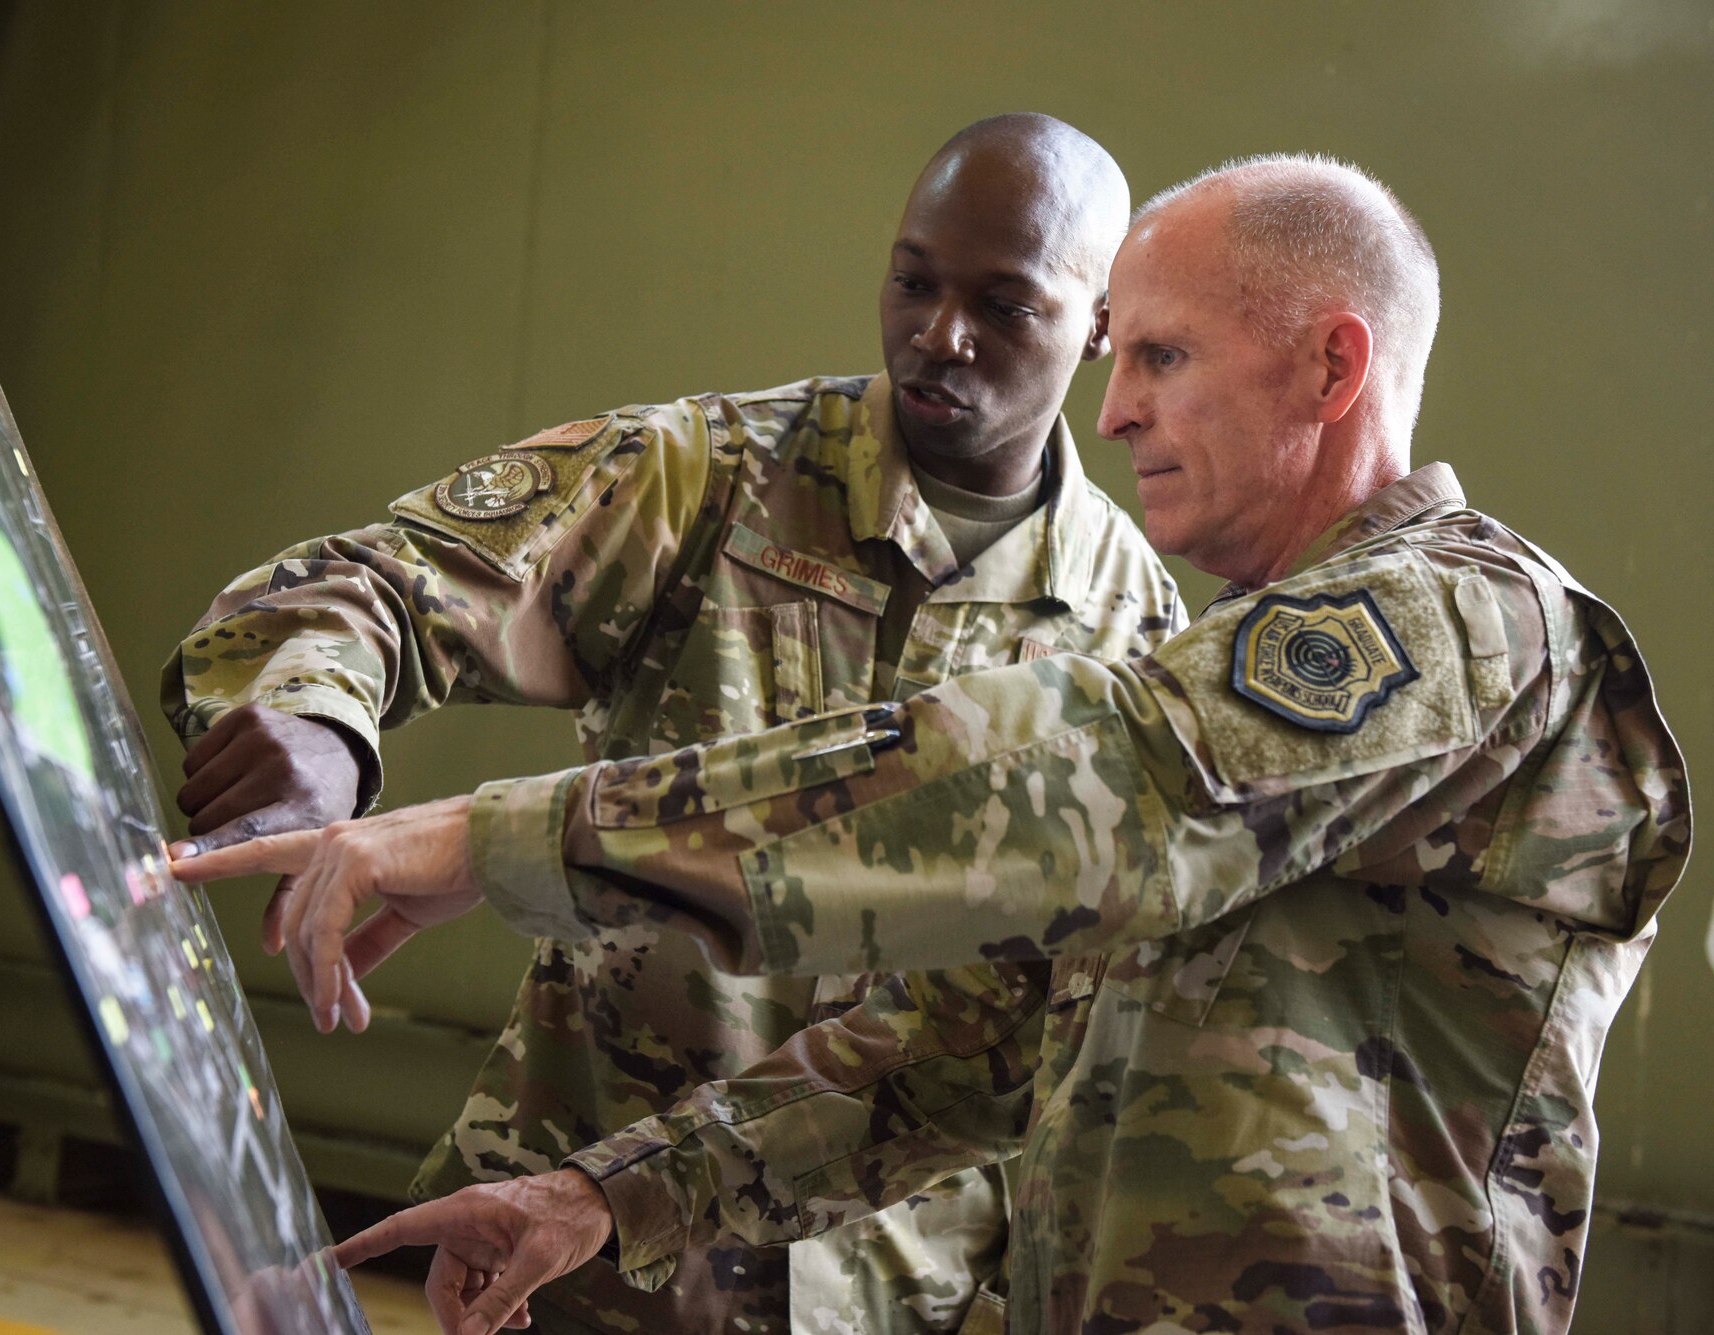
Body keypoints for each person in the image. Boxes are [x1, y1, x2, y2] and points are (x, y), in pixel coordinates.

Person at [174, 155, 1692, 1335]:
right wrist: (601, 1194)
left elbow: (1077, 784)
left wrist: (499, 838)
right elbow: (981, 1035)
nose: (1114, 412)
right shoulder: (1208, 672)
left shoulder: (1466, 631)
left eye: (1159, 356)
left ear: (1330, 367)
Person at [161, 114, 1183, 1333]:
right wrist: (317, 717)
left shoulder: (1133, 626)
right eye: (912, 281)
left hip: (900, 1285)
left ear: (1104, 323)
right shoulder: (709, 479)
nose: (937, 334)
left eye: (1004, 307)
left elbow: (1071, 1012)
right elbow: (372, 584)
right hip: (583, 1247)